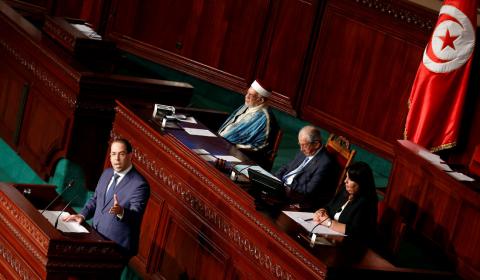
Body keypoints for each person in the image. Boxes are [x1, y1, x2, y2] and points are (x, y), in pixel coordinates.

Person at [64, 138, 150, 259]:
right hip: (95, 238)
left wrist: (121, 212)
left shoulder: (139, 184)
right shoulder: (107, 173)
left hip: (116, 248)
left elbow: (136, 216)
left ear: (130, 156)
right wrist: (82, 215)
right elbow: (95, 200)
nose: (117, 159)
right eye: (114, 154)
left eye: (121, 154)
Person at [313, 161, 378, 245]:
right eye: (346, 177)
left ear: (361, 182)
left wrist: (328, 223)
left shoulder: (367, 203)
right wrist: (321, 211)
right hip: (329, 236)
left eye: (350, 179)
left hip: (350, 246)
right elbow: (329, 206)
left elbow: (356, 232)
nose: (345, 181)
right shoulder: (345, 190)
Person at [218, 80, 278, 169]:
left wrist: (235, 147)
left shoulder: (264, 118)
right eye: (247, 93)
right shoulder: (247, 106)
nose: (246, 97)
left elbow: (262, 146)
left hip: (238, 155)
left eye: (251, 95)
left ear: (261, 100)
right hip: (222, 144)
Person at [275, 125, 339, 210]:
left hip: (295, 197)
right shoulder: (305, 151)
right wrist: (276, 178)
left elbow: (309, 190)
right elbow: (287, 167)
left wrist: (287, 185)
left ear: (316, 144)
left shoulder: (325, 163)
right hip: (281, 186)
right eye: (300, 145)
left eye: (304, 145)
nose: (301, 149)